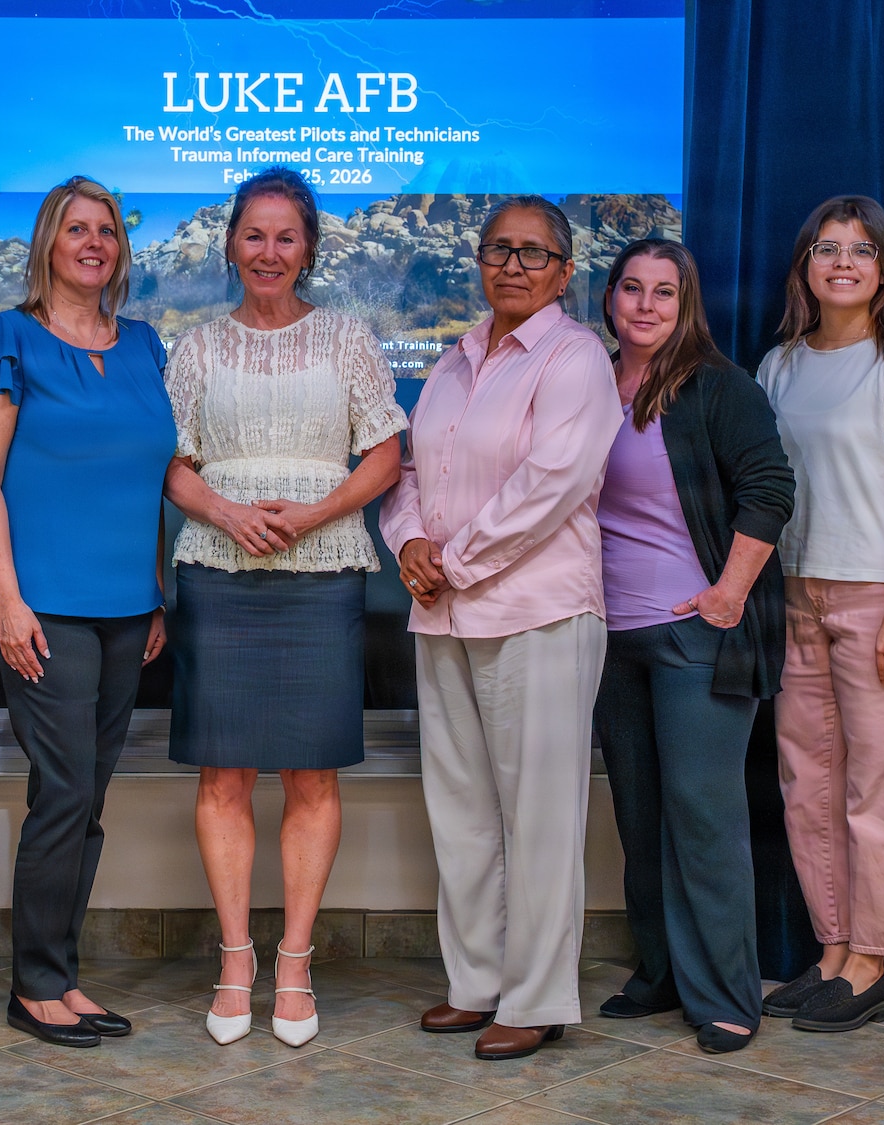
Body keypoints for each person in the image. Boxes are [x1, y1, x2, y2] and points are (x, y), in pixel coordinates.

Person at [163, 168, 407, 1048]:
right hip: (219, 575)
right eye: (254, 235)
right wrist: (228, 513)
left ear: (309, 250)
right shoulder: (195, 347)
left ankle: (294, 963)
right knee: (222, 776)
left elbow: (386, 454)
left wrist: (312, 516)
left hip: (322, 576)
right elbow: (173, 462)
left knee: (312, 776)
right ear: (231, 245)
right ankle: (236, 962)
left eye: (286, 237)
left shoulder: (347, 338)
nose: (268, 252)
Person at [377, 195, 621, 1062]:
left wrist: (456, 560)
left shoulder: (576, 356)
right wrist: (409, 541)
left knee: (540, 814)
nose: (513, 265)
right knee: (462, 812)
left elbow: (554, 482)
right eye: (498, 250)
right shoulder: (454, 359)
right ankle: (476, 981)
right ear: (478, 261)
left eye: (533, 252)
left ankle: (538, 996)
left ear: (565, 270)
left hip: (537, 612)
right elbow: (411, 469)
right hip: (443, 613)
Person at [0, 177, 175, 1048]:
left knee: (88, 797)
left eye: (106, 229)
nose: (93, 242)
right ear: (47, 241)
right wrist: (8, 601)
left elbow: (146, 479)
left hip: (127, 608)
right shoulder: (4, 337)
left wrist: (152, 593)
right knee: (64, 792)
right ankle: (35, 985)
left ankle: (63, 976)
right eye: (76, 228)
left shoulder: (144, 343)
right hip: (42, 606)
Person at [590, 239, 794, 1055]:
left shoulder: (718, 385)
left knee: (702, 815)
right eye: (632, 288)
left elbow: (770, 489)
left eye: (664, 292)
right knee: (640, 817)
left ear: (686, 304)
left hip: (694, 631)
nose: (645, 305)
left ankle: (727, 996)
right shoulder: (588, 382)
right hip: (609, 634)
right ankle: (664, 974)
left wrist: (729, 592)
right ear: (609, 297)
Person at [756, 195, 884, 1033]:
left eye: (861, 250)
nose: (842, 262)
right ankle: (833, 949)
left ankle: (874, 961)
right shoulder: (780, 366)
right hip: (800, 593)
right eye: (827, 248)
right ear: (805, 265)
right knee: (809, 785)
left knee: (880, 786)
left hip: (882, 598)